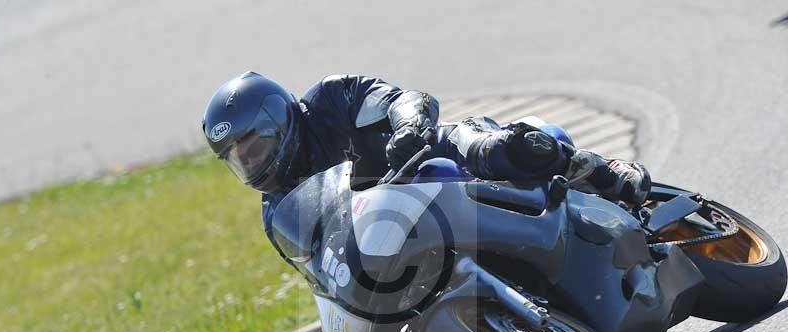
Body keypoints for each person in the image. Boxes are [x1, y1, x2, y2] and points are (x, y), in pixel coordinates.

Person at [201, 72, 651, 247]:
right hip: (407, 238)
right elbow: (319, 269)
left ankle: (603, 172)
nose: (252, 164)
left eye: (255, 148)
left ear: (278, 124)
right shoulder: (278, 210)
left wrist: (408, 127)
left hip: (438, 162)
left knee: (496, 147)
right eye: (239, 160)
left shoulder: (330, 100)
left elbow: (402, 98)